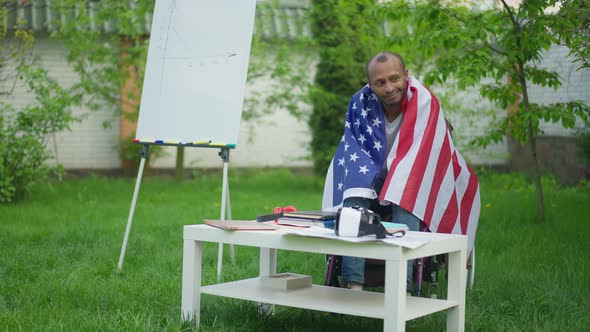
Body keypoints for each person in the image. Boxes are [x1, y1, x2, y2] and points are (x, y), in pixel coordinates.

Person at [322, 51, 480, 292]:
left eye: (395, 79)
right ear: (370, 84)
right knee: (353, 205)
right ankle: (353, 285)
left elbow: (420, 165)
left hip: (409, 186)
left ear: (407, 75)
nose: (389, 88)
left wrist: (396, 187)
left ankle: (401, 287)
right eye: (380, 82)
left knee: (404, 199)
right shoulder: (360, 106)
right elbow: (353, 156)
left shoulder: (425, 103)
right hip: (372, 187)